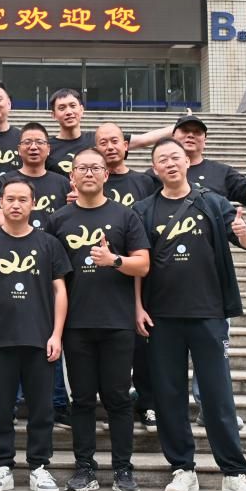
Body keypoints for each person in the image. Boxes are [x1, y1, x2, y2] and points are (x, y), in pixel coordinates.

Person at [134, 139, 246, 491]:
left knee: (218, 395)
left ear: (187, 162)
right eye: (162, 159)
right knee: (169, 395)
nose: (170, 163)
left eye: (175, 157)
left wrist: (245, 234)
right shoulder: (143, 210)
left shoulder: (213, 203)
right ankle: (182, 469)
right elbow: (139, 263)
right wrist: (138, 307)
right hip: (162, 317)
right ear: (155, 169)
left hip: (208, 313)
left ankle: (233, 473)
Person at [49, 149, 150, 491]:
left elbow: (143, 264)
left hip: (117, 322)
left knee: (118, 399)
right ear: (72, 176)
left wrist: (113, 260)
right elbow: (52, 275)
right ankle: (85, 468)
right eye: (82, 168)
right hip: (76, 324)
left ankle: (123, 469)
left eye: (96, 167)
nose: (89, 173)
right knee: (81, 400)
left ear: (106, 175)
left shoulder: (126, 215)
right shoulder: (58, 219)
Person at [0, 177, 68, 491]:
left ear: (33, 204)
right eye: (10, 199)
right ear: (1, 202)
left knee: (42, 409)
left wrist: (57, 334)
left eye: (23, 199)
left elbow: (60, 291)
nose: (16, 205)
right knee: (1, 408)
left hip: (40, 339)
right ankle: (2, 465)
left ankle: (39, 466)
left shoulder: (48, 243)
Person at [93, 122, 159, 432]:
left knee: (143, 344)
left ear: (126, 145)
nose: (109, 147)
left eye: (114, 141)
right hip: (101, 276)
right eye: (103, 142)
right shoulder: (93, 181)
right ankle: (113, 406)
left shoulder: (144, 182)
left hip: (139, 266)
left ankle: (148, 403)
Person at [45, 90, 174, 177]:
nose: (68, 112)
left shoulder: (99, 139)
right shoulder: (46, 147)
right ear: (53, 115)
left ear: (82, 110)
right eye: (62, 108)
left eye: (73, 106)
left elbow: (144, 140)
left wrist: (179, 126)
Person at [172, 115, 246, 208]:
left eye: (197, 132)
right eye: (185, 130)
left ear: (205, 141)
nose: (190, 135)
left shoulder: (221, 171)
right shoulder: (164, 169)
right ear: (172, 137)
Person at [0, 123, 70, 229]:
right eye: (27, 142)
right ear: (19, 149)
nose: (33, 147)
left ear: (48, 149)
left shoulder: (63, 183)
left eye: (39, 142)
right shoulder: (4, 182)